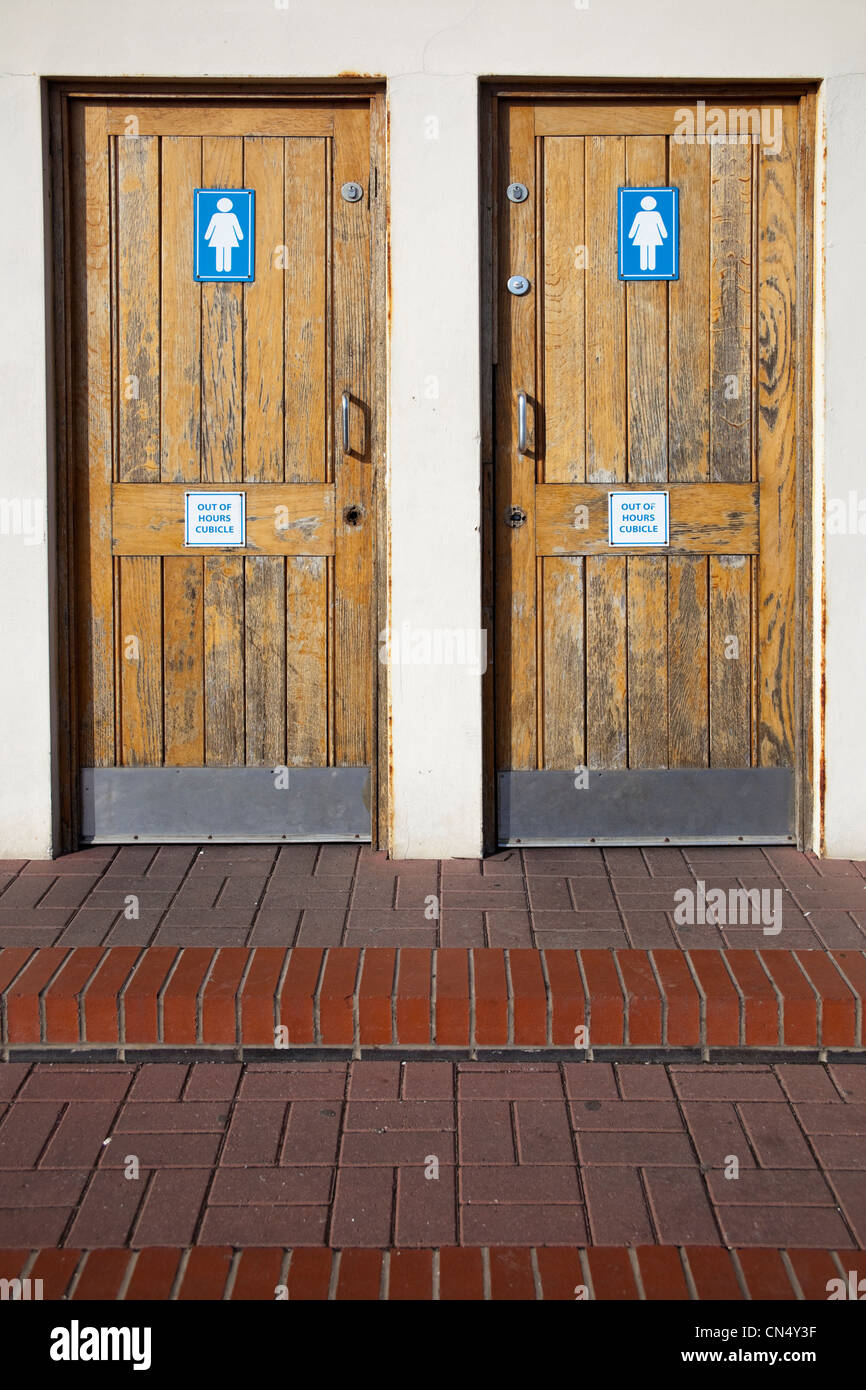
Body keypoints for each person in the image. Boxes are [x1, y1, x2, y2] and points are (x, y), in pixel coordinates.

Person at [204, 196, 244, 274]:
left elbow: (211, 227)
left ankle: (221, 268)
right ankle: (226, 268)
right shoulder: (231, 216)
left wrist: (207, 236)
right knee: (226, 251)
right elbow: (237, 227)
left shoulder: (217, 216)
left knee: (221, 251)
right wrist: (240, 236)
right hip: (228, 237)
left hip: (219, 237)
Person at [627, 195, 667, 272]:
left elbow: (660, 224)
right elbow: (635, 225)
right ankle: (648, 266)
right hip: (648, 235)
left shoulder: (644, 214)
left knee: (646, 249)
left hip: (646, 235)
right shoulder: (652, 214)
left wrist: (631, 235)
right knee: (648, 249)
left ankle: (646, 266)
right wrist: (664, 234)